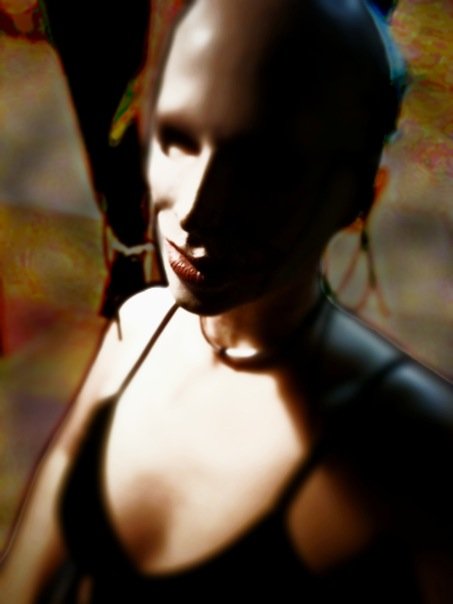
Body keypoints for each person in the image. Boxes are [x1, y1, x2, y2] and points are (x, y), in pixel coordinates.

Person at [1, 0, 453, 602]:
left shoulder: (417, 453)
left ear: (358, 197)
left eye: (263, 170)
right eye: (178, 139)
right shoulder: (140, 329)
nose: (196, 210)